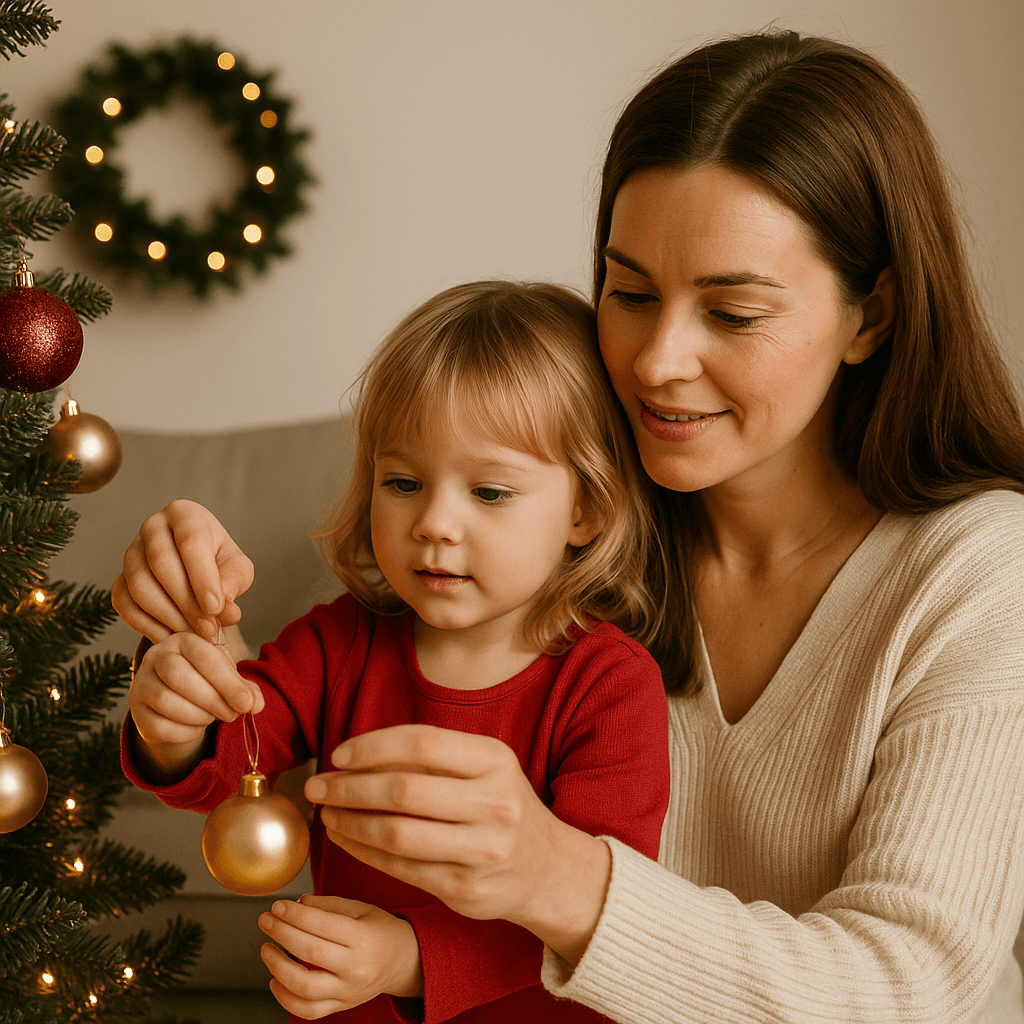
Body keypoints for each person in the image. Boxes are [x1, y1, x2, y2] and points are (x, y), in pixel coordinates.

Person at [115, 29, 1024, 1023]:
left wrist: (558, 878)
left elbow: (913, 985)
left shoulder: (979, 571)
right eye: (629, 292)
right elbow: (273, 705)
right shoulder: (551, 525)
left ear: (871, 315)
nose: (656, 362)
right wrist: (193, 606)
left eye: (732, 313)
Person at [117, 281, 671, 1023]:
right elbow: (238, 761)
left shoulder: (608, 685)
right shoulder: (340, 641)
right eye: (403, 482)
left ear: (587, 509)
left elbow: (599, 916)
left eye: (490, 492)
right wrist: (175, 724)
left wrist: (408, 958)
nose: (434, 522)